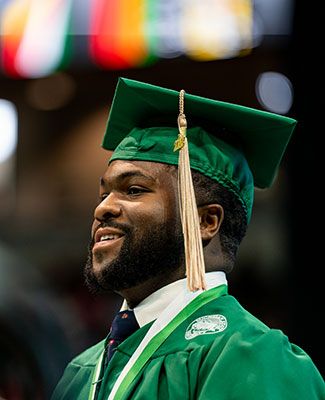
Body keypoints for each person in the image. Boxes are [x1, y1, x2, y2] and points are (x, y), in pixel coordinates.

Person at [51, 77, 325, 400]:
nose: (104, 208)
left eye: (134, 190)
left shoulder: (250, 358)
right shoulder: (79, 374)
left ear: (206, 221)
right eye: (103, 193)